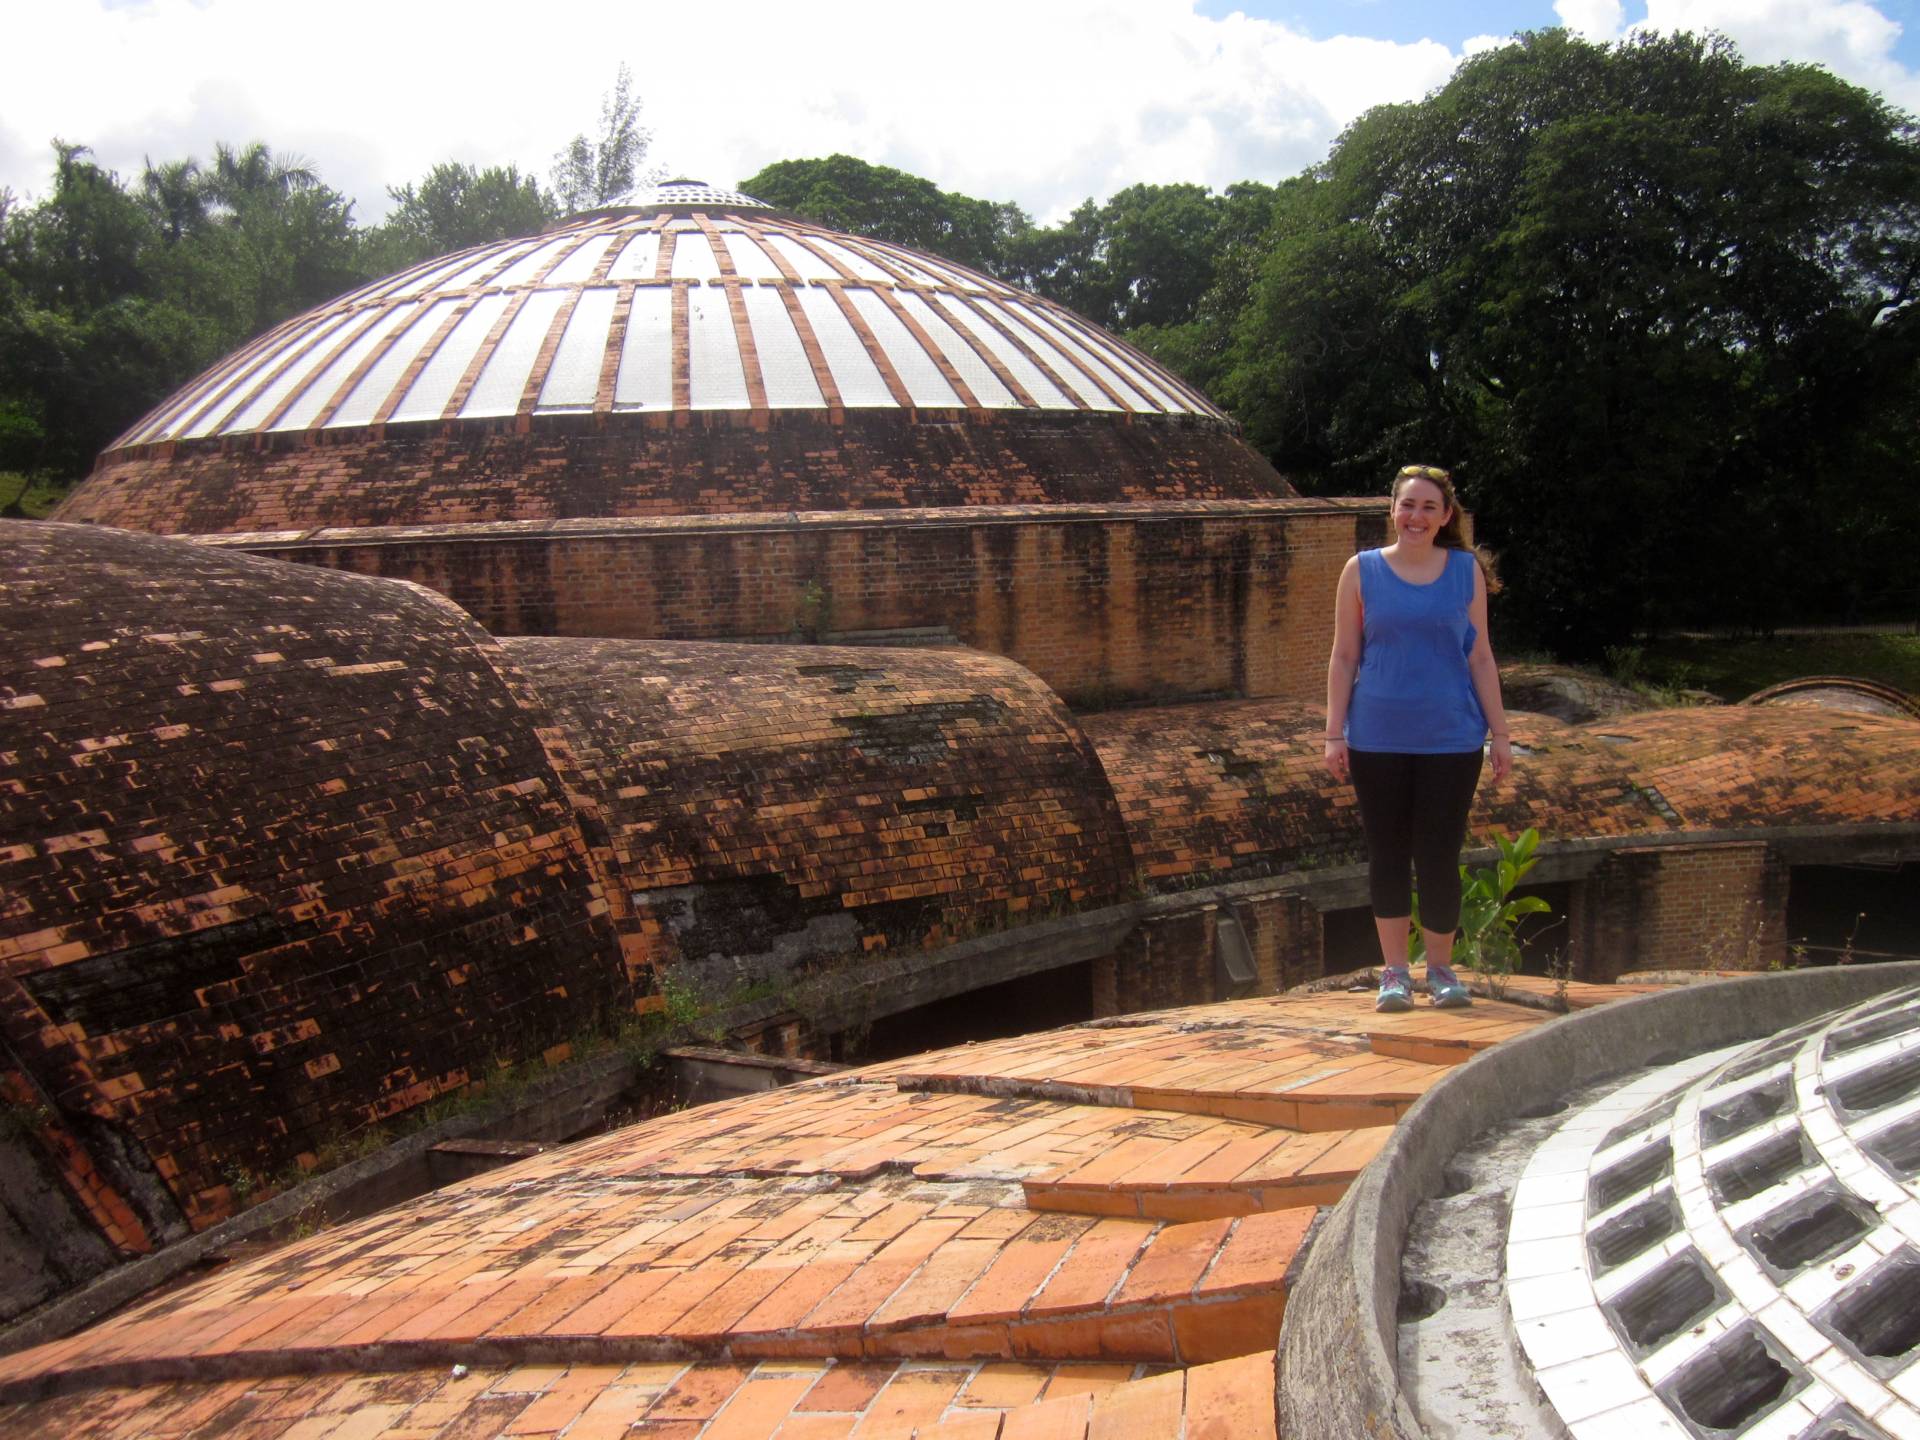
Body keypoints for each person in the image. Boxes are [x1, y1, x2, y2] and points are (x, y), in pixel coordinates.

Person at [1324, 464, 1513, 1012]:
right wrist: (1334, 733)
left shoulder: (1464, 571)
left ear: (1446, 516)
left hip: (1451, 737)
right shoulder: (1360, 571)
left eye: (1429, 507)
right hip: (1377, 736)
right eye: (1408, 505)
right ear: (1392, 511)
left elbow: (1480, 655)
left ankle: (1442, 970)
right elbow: (1344, 656)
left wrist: (1500, 733)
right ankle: (1395, 974)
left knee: (1438, 853)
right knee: (1387, 853)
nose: (1417, 516)